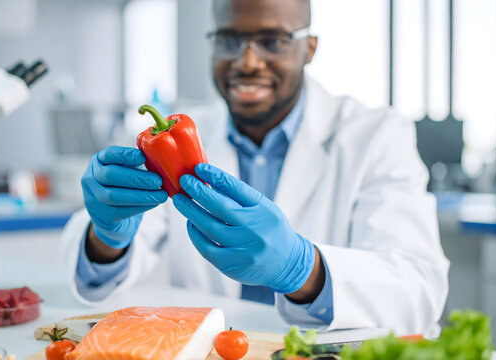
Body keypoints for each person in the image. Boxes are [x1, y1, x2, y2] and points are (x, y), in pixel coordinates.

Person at [61, 0, 449, 336]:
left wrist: (305, 270)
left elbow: (420, 288)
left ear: (309, 48)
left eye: (273, 41)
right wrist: (107, 237)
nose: (247, 62)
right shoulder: (178, 138)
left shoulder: (376, 135)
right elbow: (102, 272)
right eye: (229, 40)